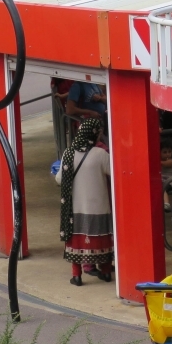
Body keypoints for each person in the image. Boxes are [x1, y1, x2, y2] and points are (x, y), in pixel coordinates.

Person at [56, 118, 113, 287]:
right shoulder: (101, 154)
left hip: (76, 208)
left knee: (76, 241)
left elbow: (60, 179)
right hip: (100, 207)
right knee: (102, 240)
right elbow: (115, 173)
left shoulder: (68, 154)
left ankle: (77, 275)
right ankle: (106, 272)